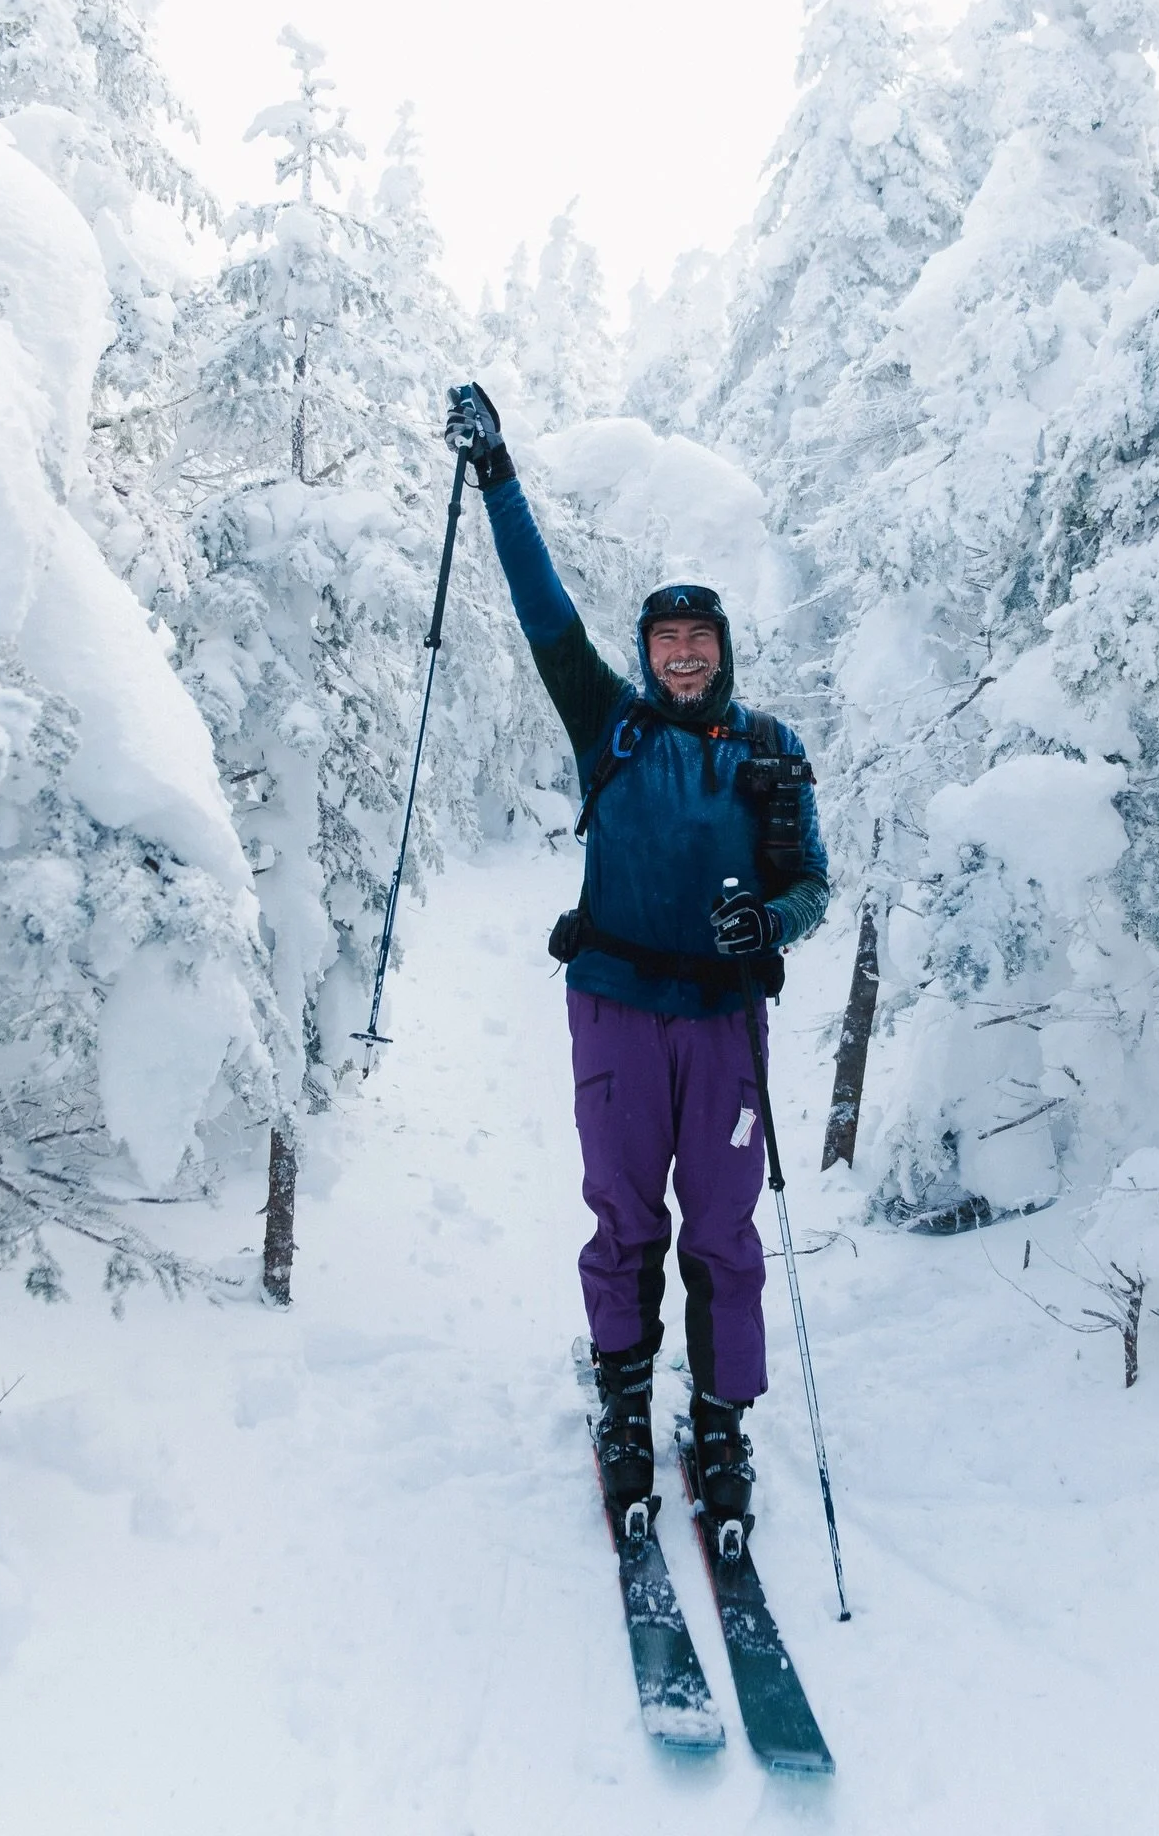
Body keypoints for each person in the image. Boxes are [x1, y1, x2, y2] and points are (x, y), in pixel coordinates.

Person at [446, 384, 828, 1526]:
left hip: (722, 1027)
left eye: (698, 640)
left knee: (721, 1227)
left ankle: (720, 1425)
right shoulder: (604, 721)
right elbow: (540, 607)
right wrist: (498, 478)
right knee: (625, 1218)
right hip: (613, 1007)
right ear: (646, 652)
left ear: (722, 651)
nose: (679, 655)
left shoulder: (769, 751)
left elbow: (809, 880)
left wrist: (774, 924)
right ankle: (623, 1400)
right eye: (664, 640)